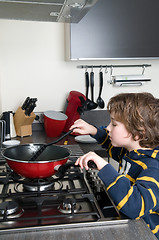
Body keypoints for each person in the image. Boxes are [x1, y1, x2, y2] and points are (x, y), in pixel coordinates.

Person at [70, 92, 159, 239]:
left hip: (146, 233)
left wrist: (105, 168)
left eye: (114, 124)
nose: (109, 128)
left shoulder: (153, 168)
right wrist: (93, 130)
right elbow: (111, 143)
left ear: (137, 133)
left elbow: (134, 207)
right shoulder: (132, 152)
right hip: (130, 224)